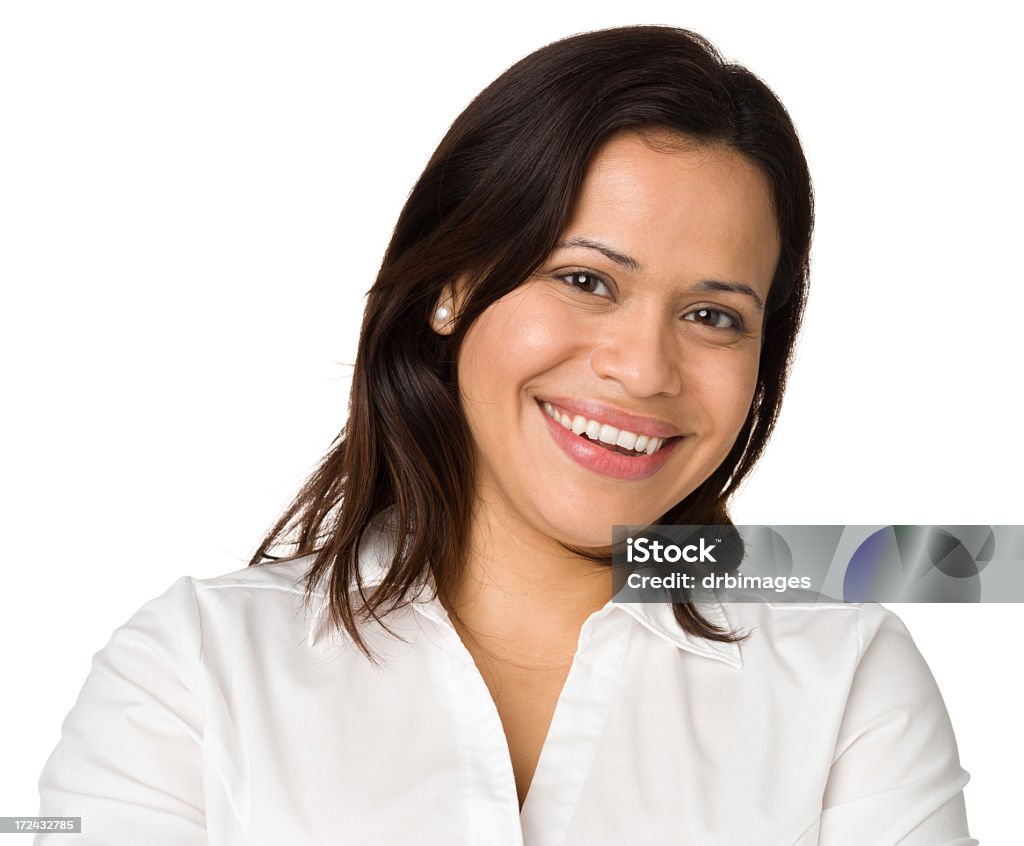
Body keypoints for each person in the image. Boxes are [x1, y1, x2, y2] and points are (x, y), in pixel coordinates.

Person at [35, 25, 976, 845]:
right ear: (453, 285)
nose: (645, 369)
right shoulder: (193, 672)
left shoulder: (848, 683)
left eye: (715, 316)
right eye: (586, 280)